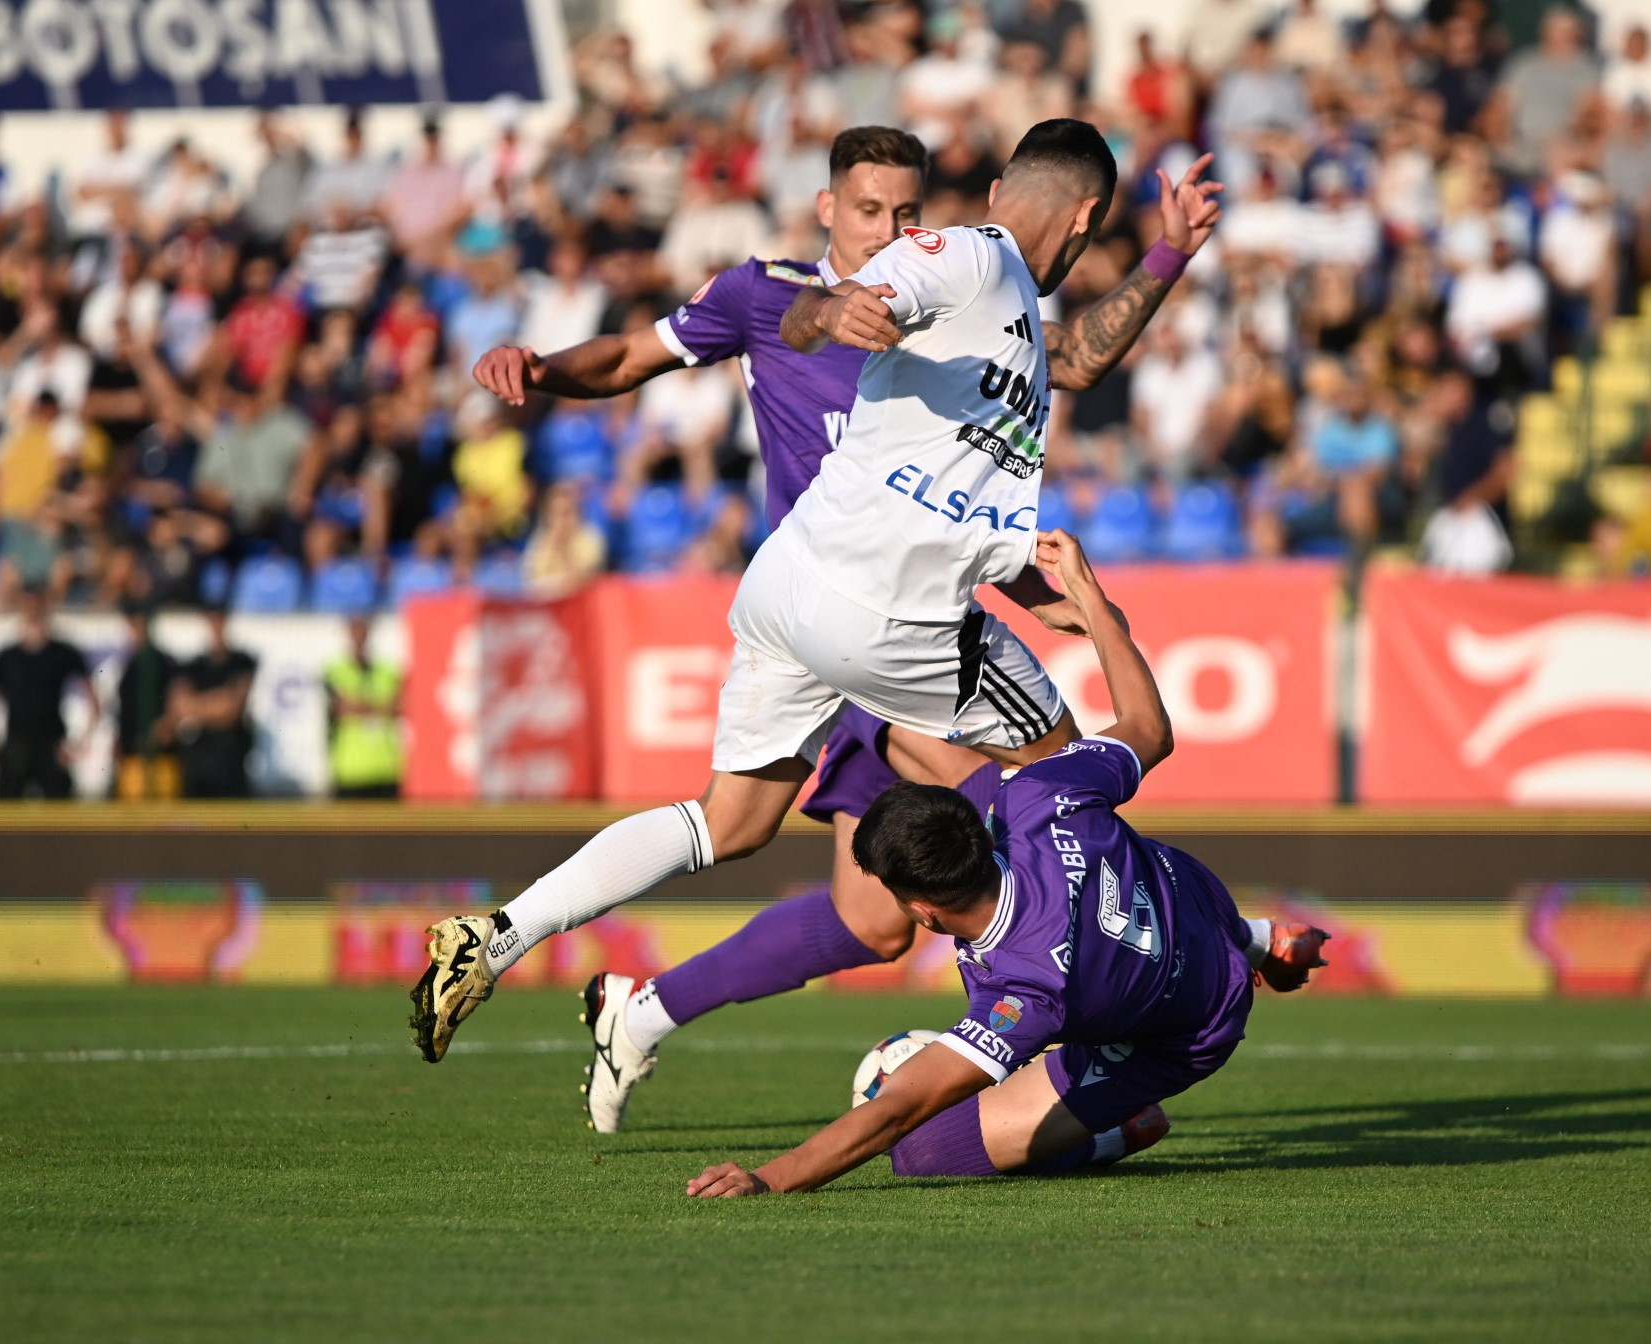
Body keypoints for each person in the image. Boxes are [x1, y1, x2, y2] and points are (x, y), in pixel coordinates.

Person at [416, 123, 1226, 1123]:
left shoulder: (998, 304)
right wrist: (827, 312)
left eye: (906, 209)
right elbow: (717, 337)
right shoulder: (927, 266)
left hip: (791, 593)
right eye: (873, 209)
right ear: (828, 207)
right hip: (887, 618)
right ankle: (1023, 1023)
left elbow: (1077, 362)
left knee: (745, 831)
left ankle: (500, 934)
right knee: (1067, 785)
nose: (892, 226)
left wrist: (1171, 253)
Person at [686, 531, 1329, 1197]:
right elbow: (1148, 727)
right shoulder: (1039, 793)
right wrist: (1092, 602)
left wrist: (767, 1176)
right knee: (928, 749)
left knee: (923, 1152)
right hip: (1193, 896)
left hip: (1182, 1027)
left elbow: (898, 1108)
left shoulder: (1022, 993)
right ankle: (1251, 937)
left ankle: (1117, 1125)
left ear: (926, 911)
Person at [0, 589, 99, 800]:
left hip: (52, 746)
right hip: (16, 746)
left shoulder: (62, 653)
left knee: (59, 820)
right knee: (7, 819)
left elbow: (94, 699)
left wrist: (79, 744)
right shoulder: (8, 656)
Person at [169, 608, 257, 799]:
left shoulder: (241, 662)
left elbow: (231, 709)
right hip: (198, 769)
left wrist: (196, 706)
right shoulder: (193, 665)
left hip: (230, 766)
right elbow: (179, 706)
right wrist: (217, 701)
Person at [323, 616, 403, 800]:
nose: (359, 637)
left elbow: (400, 708)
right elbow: (341, 708)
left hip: (386, 767)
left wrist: (358, 704)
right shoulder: (334, 670)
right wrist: (381, 706)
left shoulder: (388, 669)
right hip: (350, 770)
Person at [112, 599, 181, 801]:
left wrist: (166, 725)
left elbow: (177, 702)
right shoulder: (130, 664)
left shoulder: (163, 663)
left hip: (160, 760)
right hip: (133, 759)